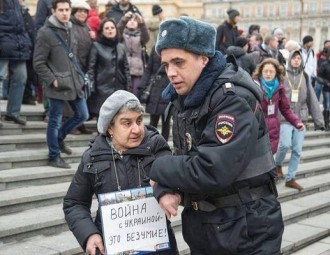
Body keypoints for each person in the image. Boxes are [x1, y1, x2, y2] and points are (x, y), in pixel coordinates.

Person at [149, 16, 284, 255]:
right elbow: (186, 159)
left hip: (246, 228)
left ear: (204, 58)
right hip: (208, 225)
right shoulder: (187, 97)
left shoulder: (232, 99)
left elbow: (210, 169)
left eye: (179, 62)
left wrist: (156, 167)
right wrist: (164, 187)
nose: (170, 72)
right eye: (166, 64)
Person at [63, 90, 178, 255]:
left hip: (157, 247)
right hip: (111, 247)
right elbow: (74, 203)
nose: (137, 129)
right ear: (110, 127)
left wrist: (167, 191)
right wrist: (89, 234)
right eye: (127, 123)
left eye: (139, 121)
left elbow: (170, 174)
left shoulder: (155, 146)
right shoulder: (93, 157)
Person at [33, 0, 89, 169]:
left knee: (82, 114)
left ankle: (58, 139)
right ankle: (54, 155)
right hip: (56, 84)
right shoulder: (45, 32)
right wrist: (52, 79)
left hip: (73, 82)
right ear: (53, 11)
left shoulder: (71, 28)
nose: (64, 13)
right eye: (61, 10)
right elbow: (38, 62)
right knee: (55, 120)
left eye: (67, 9)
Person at [275, 50, 324, 191]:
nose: (296, 60)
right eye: (294, 58)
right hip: (284, 117)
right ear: (289, 60)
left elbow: (312, 99)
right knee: (284, 145)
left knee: (297, 150)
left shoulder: (305, 76)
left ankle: (290, 178)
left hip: (300, 118)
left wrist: (318, 121)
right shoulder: (282, 76)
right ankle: (277, 164)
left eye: (299, 58)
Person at [253, 58, 304, 158]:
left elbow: (286, 109)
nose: (268, 74)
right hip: (257, 127)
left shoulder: (279, 88)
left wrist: (297, 122)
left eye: (271, 71)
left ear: (276, 73)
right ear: (260, 72)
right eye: (265, 71)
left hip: (273, 129)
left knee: (269, 157)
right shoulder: (254, 86)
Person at [86, 18, 131, 120]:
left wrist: (128, 87)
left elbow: (126, 69)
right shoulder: (96, 46)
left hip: (119, 89)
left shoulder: (121, 47)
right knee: (103, 122)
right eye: (107, 28)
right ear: (102, 31)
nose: (110, 30)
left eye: (112, 28)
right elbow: (91, 68)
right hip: (101, 90)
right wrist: (92, 88)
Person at [0, 0, 31, 125]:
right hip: (3, 44)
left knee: (21, 77)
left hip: (18, 45)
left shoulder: (17, 3)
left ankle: (12, 113)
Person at [70, 0, 94, 135]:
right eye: (80, 11)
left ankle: (80, 124)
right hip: (74, 66)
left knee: (83, 95)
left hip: (84, 67)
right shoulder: (70, 26)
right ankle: (73, 124)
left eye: (85, 11)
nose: (82, 14)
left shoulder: (87, 28)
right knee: (75, 96)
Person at [138, 46, 171, 141]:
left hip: (167, 87)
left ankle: (163, 146)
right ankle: (151, 143)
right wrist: (142, 86)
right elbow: (149, 69)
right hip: (154, 89)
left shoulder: (173, 47)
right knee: (153, 120)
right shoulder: (155, 48)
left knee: (166, 121)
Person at [117, 11, 150, 96]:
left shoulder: (141, 36)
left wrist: (142, 23)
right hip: (123, 69)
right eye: (130, 20)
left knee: (135, 94)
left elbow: (146, 37)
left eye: (134, 21)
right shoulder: (122, 35)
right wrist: (123, 20)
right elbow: (117, 31)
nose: (132, 22)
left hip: (137, 71)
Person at [317, 49, 330, 131]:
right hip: (327, 88)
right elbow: (319, 77)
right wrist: (327, 83)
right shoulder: (324, 64)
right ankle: (326, 123)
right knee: (327, 106)